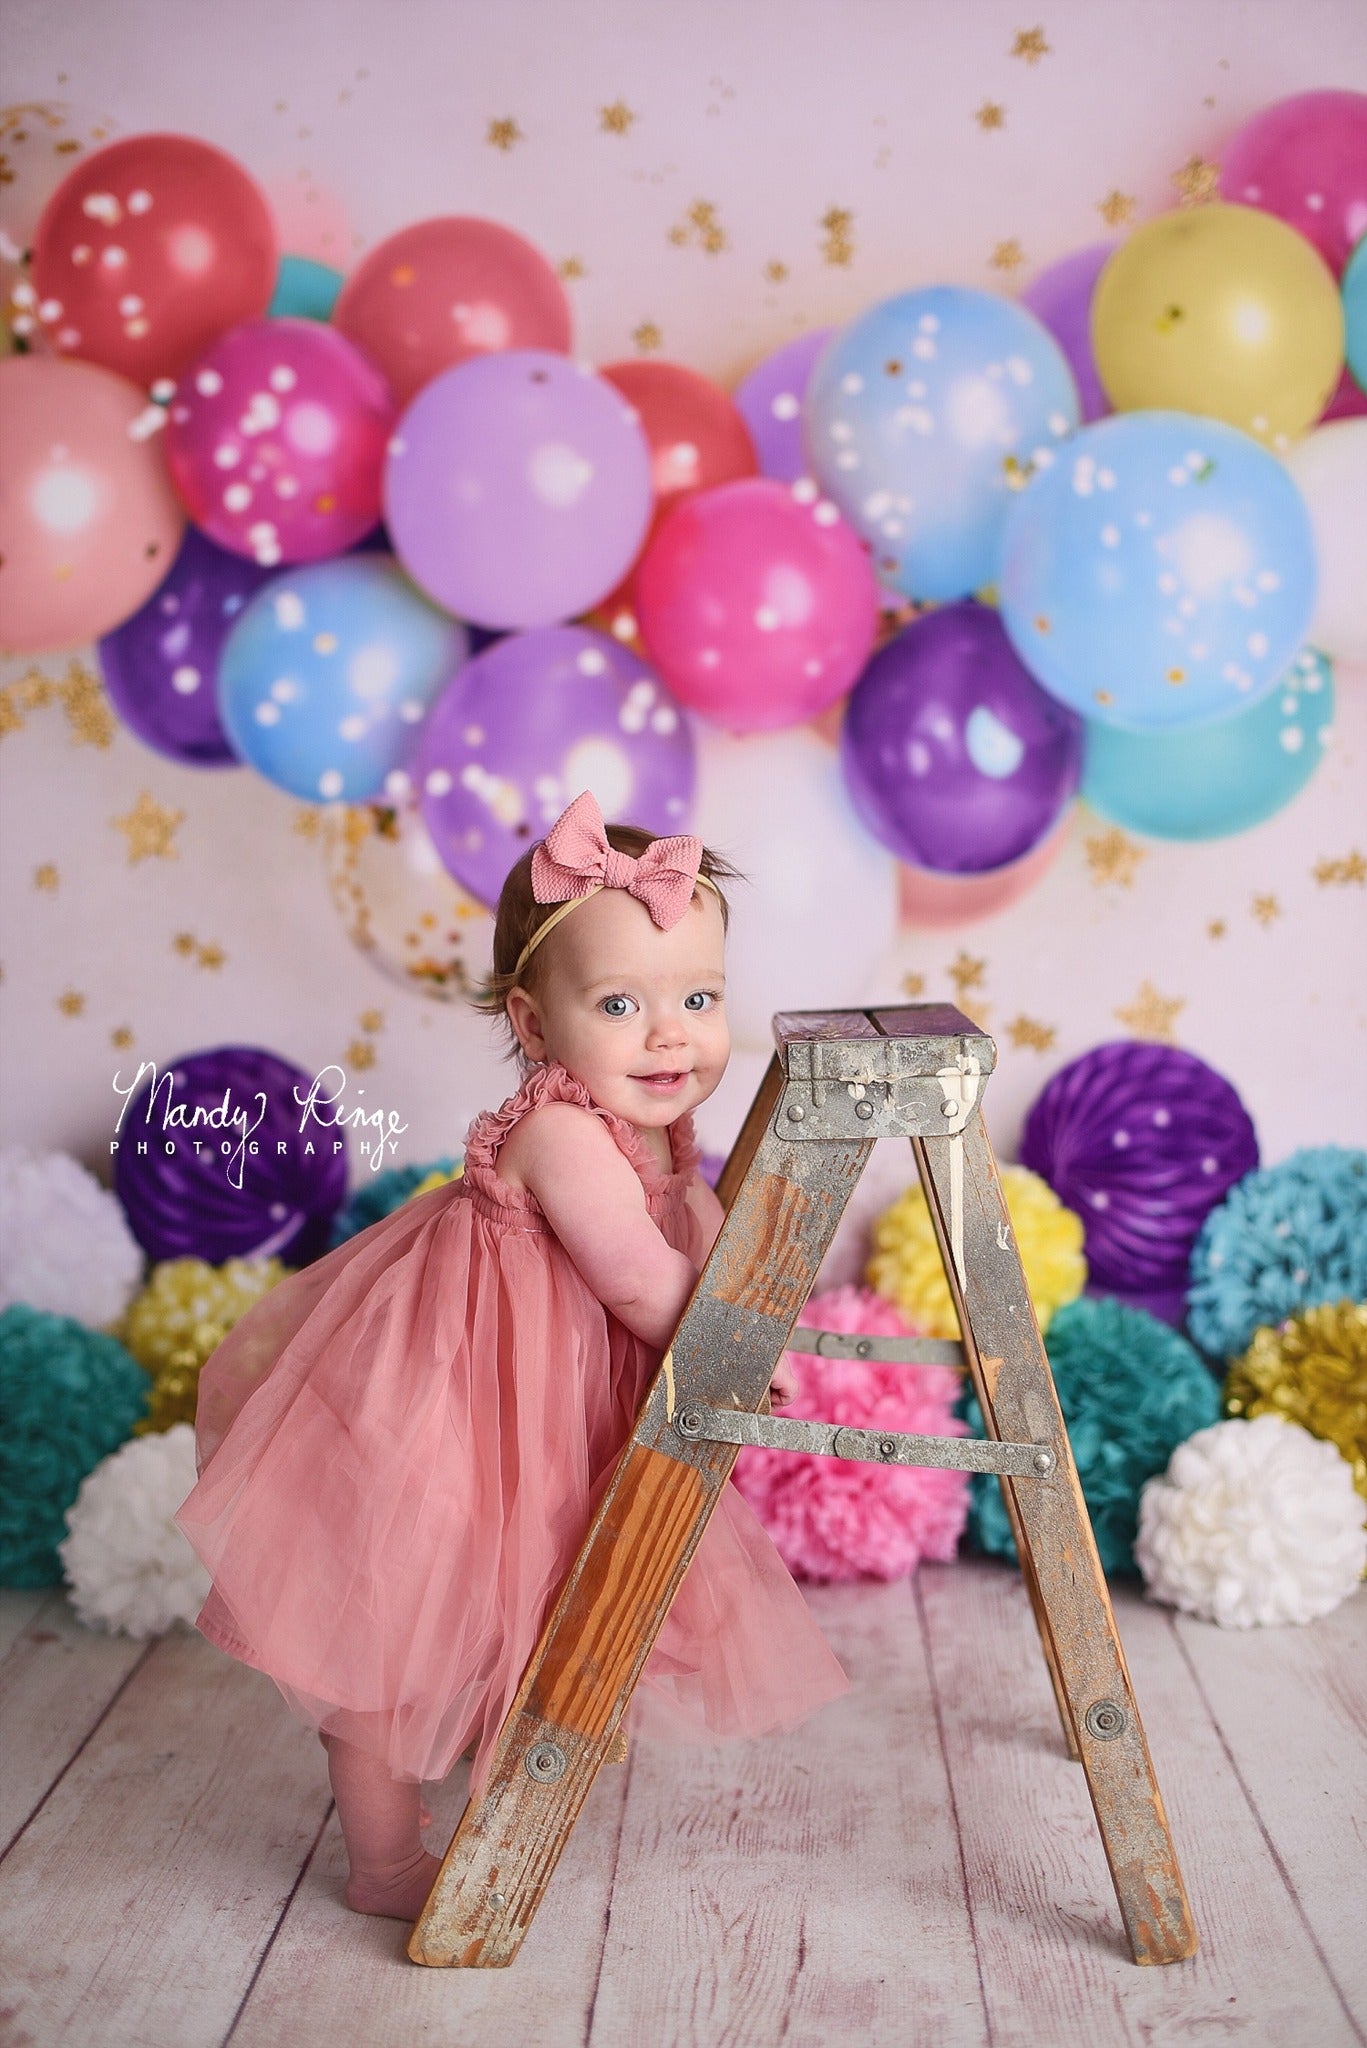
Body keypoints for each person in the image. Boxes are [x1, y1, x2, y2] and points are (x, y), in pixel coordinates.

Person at [176, 790, 848, 1922]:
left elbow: (678, 1233)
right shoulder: (560, 1133)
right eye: (620, 1003)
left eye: (698, 997)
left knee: (515, 1614)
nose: (669, 1031)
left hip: (538, 1401)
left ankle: (488, 1771)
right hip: (457, 1405)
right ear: (535, 1027)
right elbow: (639, 1279)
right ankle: (384, 1861)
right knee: (392, 1644)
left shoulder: (643, 1117)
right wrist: (736, 1338)